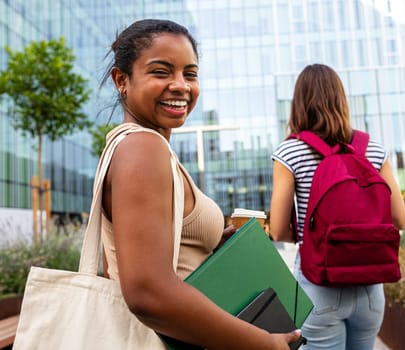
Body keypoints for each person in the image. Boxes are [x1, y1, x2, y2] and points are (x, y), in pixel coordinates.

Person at [98, 19, 302, 349]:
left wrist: (208, 243)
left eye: (189, 74)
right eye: (161, 72)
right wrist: (264, 344)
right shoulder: (143, 148)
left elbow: (121, 260)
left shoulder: (136, 147)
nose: (181, 86)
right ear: (121, 80)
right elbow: (146, 293)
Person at [270, 63, 405, 350]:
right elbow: (399, 218)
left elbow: (279, 229)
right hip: (371, 288)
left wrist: (311, 232)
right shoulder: (373, 149)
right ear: (341, 100)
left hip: (319, 284)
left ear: (299, 103)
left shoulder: (289, 151)